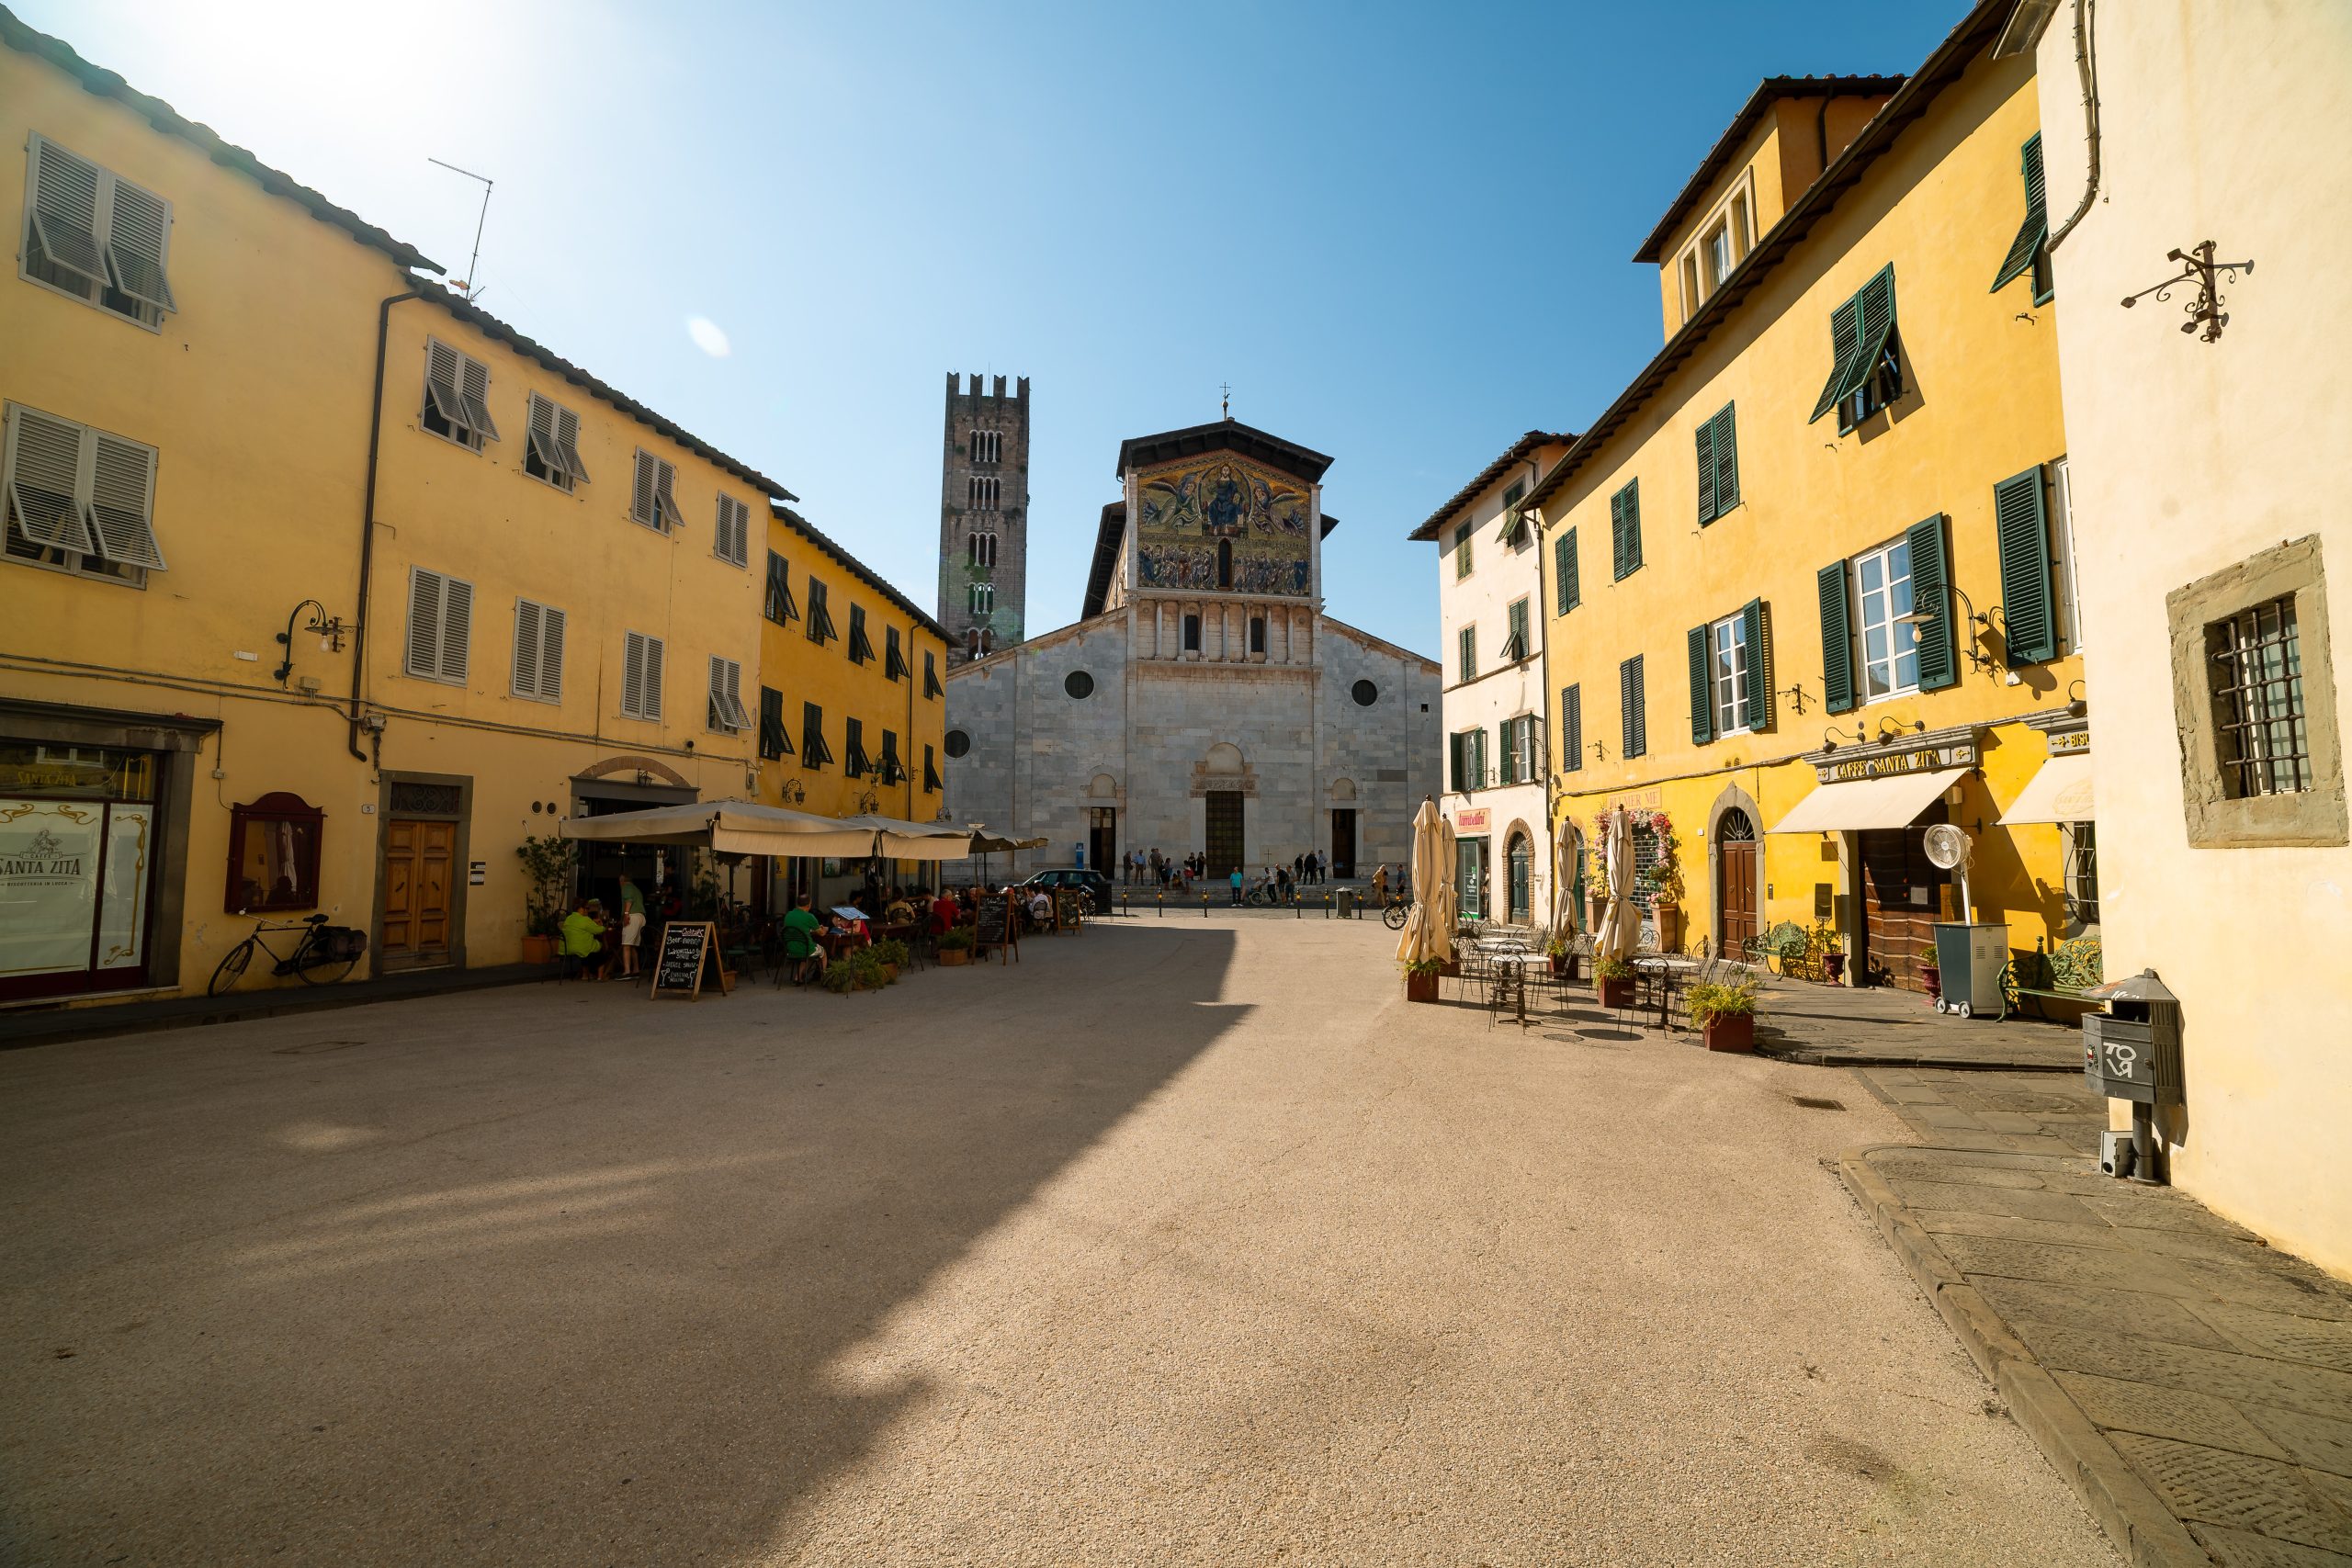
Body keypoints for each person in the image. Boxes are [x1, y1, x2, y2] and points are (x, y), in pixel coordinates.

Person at [560, 898, 609, 981]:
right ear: (580, 908)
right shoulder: (585, 919)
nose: (588, 910)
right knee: (601, 950)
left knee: (583, 952)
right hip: (583, 948)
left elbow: (580, 927)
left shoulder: (568, 919)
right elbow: (598, 930)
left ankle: (585, 975)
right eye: (587, 908)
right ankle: (600, 977)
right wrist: (603, 926)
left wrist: (592, 921)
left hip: (568, 948)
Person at [780, 893, 827, 980]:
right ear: (808, 905)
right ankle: (824, 978)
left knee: (806, 953)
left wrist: (811, 930)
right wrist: (823, 929)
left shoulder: (788, 915)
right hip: (806, 949)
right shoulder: (809, 917)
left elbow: (797, 929)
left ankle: (797, 977)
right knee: (823, 952)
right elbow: (822, 934)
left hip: (790, 949)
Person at [616, 874, 647, 977]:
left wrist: (626, 914)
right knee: (632, 945)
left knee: (626, 945)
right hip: (641, 917)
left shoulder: (626, 887)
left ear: (622, 881)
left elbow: (629, 900)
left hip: (632, 916)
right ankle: (636, 969)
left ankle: (627, 971)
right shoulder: (636, 889)